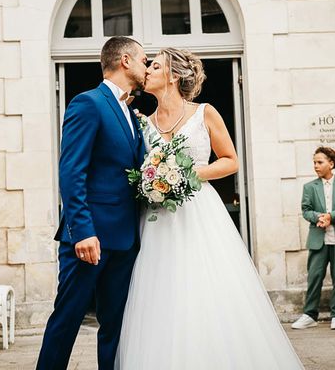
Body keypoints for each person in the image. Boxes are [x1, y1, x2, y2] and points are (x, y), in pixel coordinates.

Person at [116, 48, 303, 369]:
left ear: (173, 76)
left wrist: (185, 173)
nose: (147, 70)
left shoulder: (204, 113)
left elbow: (230, 161)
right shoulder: (143, 123)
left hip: (199, 212)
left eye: (155, 65)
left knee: (206, 288)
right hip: (160, 220)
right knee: (163, 292)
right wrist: (156, 178)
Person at [36, 36, 148, 370]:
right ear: (125, 60)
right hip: (89, 239)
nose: (147, 66)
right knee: (67, 319)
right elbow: (71, 171)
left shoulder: (131, 113)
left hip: (125, 240)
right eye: (144, 60)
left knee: (115, 326)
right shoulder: (87, 103)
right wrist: (82, 231)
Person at [291, 147, 335, 331]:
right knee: (314, 278)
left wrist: (332, 216)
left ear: (331, 163)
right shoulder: (309, 187)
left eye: (319, 162)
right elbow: (306, 210)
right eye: (314, 162)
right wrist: (319, 217)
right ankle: (309, 315)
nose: (316, 166)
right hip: (318, 239)